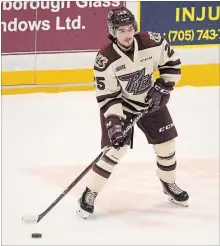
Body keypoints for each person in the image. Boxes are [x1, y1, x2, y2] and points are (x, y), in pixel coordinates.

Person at [77, 7, 189, 219]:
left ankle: (169, 184)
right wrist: (114, 123)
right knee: (114, 151)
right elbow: (108, 97)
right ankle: (89, 192)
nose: (127, 35)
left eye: (130, 29)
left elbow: (172, 65)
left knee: (167, 145)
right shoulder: (105, 59)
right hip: (122, 106)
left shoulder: (152, 42)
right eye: (121, 31)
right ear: (112, 32)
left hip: (150, 102)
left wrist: (164, 86)